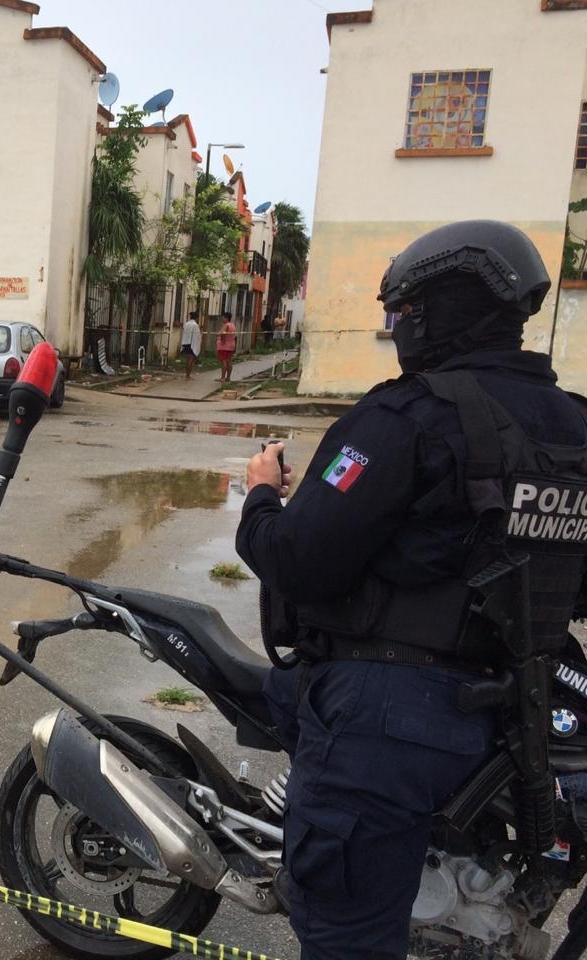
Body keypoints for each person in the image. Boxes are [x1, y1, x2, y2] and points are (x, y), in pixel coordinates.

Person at [235, 220, 587, 960]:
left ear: (432, 314)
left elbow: (297, 561)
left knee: (346, 938)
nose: (396, 330)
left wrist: (262, 497)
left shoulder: (407, 417)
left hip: (383, 725)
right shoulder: (575, 431)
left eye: (401, 314)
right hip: (512, 723)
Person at [179, 311, 201, 380]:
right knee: (190, 360)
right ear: (197, 318)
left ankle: (187, 374)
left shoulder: (187, 324)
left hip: (186, 343)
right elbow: (197, 336)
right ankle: (188, 375)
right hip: (192, 344)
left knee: (188, 359)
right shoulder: (195, 325)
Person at [215, 311, 236, 382]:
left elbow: (222, 334)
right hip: (231, 346)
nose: (222, 319)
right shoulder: (232, 325)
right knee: (229, 361)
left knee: (224, 361)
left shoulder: (226, 325)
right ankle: (228, 377)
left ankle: (223, 377)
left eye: (223, 318)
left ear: (227, 318)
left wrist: (222, 341)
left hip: (224, 346)